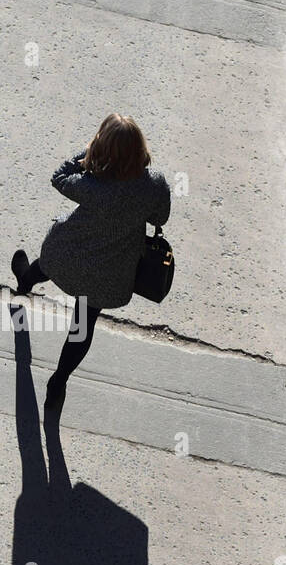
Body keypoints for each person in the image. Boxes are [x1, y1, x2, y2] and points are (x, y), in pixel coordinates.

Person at [11, 113, 171, 415]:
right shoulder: (153, 185)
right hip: (110, 274)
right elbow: (159, 218)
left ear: (103, 148)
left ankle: (23, 285)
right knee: (83, 324)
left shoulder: (93, 185)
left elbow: (58, 177)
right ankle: (58, 382)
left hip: (69, 256)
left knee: (45, 265)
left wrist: (88, 154)